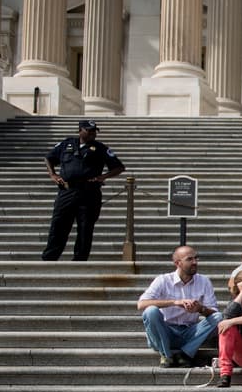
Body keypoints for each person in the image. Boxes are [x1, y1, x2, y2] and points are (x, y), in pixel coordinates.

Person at [42, 119, 125, 261]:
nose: (93, 133)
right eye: (89, 130)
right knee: (59, 225)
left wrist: (102, 177)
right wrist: (52, 174)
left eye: (94, 131)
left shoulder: (100, 148)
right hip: (67, 191)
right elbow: (49, 158)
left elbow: (118, 167)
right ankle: (50, 258)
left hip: (89, 193)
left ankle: (80, 260)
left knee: (85, 228)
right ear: (80, 130)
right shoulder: (66, 144)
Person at [137, 245, 220, 367]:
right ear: (178, 263)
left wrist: (200, 309)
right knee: (150, 311)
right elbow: (141, 304)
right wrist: (175, 302)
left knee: (219, 317)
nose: (195, 262)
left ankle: (185, 354)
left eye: (196, 258)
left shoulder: (204, 281)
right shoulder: (163, 280)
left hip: (190, 332)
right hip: (165, 332)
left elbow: (214, 312)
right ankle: (166, 355)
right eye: (189, 259)